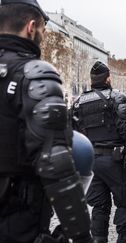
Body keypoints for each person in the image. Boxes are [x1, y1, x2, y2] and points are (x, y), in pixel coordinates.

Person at [0, 1, 92, 242]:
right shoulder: (34, 74)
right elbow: (56, 164)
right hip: (17, 218)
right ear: (31, 27)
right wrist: (81, 235)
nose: (42, 36)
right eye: (42, 30)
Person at [72, 61, 126, 243]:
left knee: (99, 206)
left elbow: (71, 133)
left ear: (91, 80)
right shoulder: (116, 98)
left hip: (90, 162)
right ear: (108, 78)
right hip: (114, 161)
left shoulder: (78, 102)